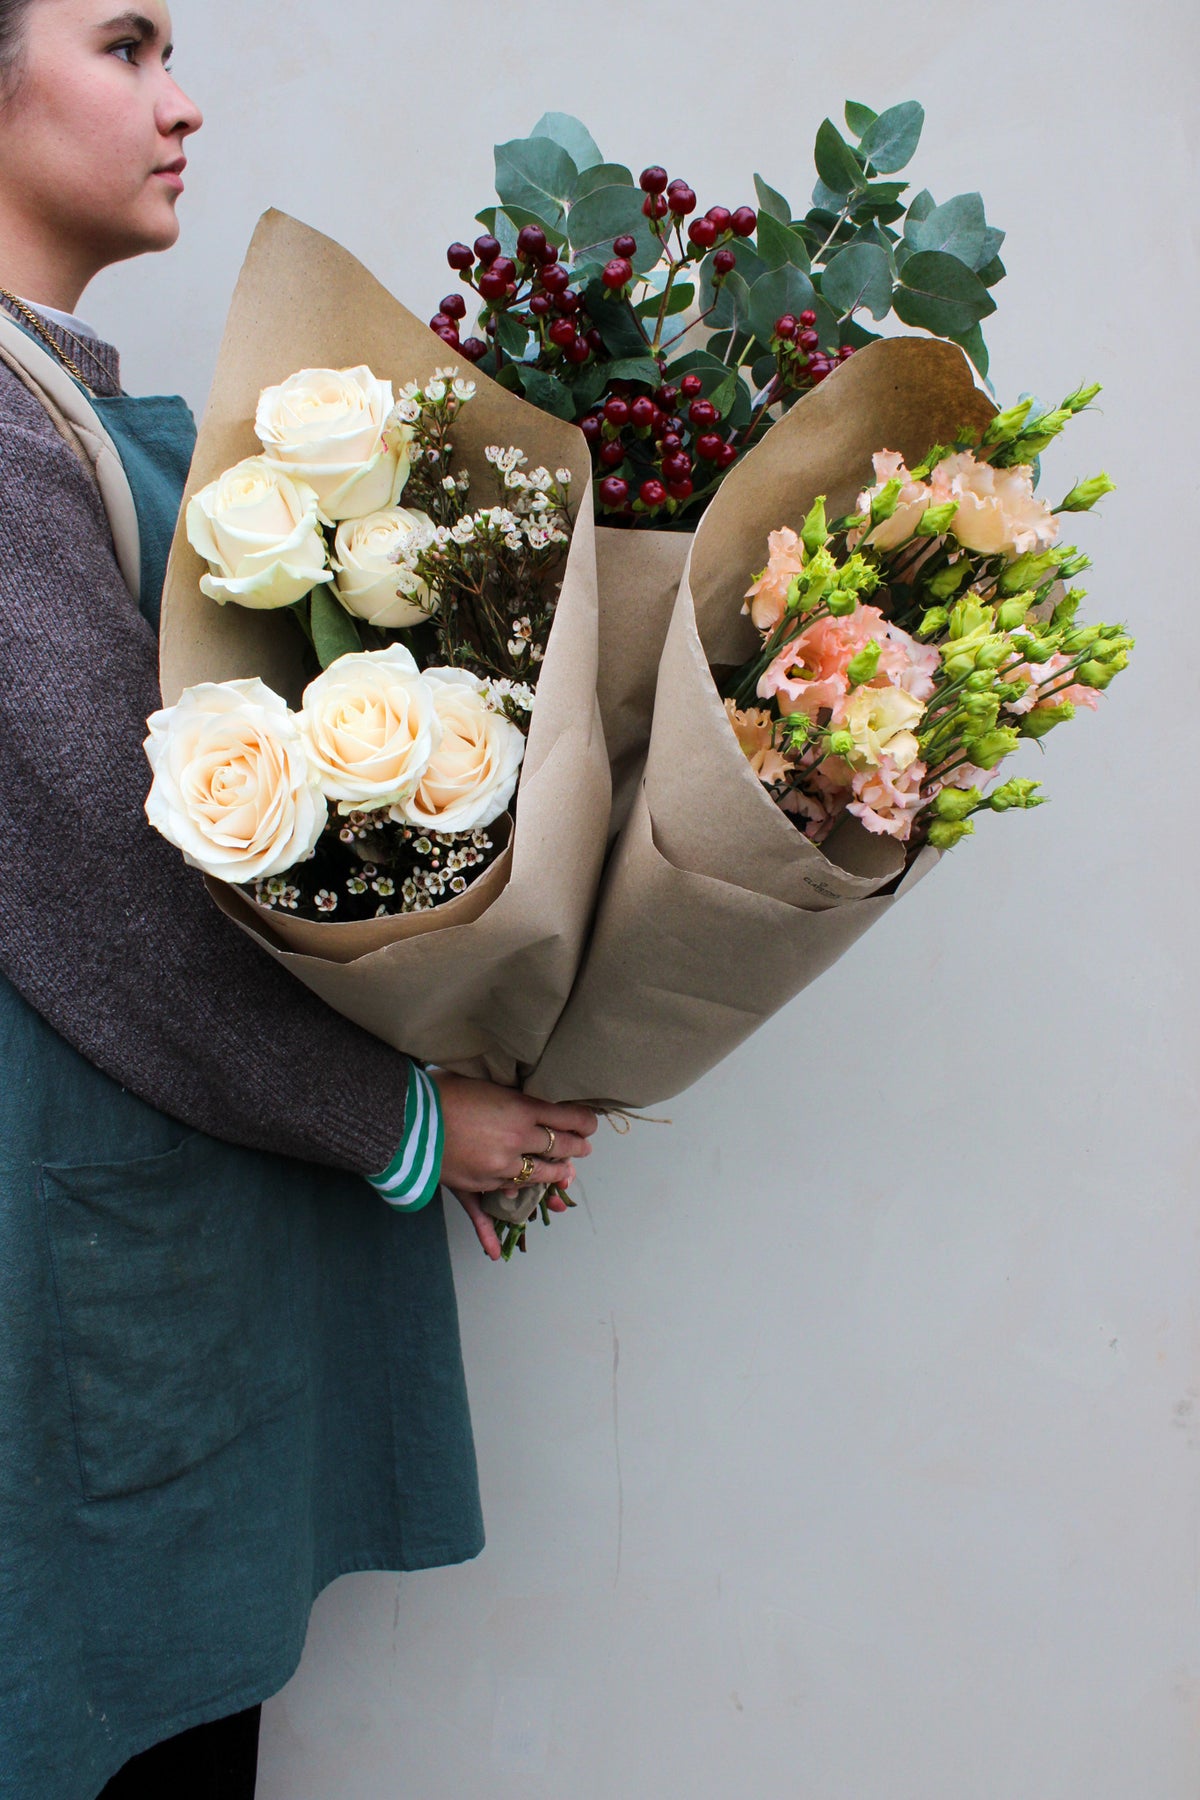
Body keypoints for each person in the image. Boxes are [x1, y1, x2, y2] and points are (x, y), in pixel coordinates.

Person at [0, 4, 599, 1795]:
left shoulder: (51, 403)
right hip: (97, 1297)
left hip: (152, 1275)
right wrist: (412, 1117)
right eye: (121, 46)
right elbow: (115, 914)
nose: (181, 101)